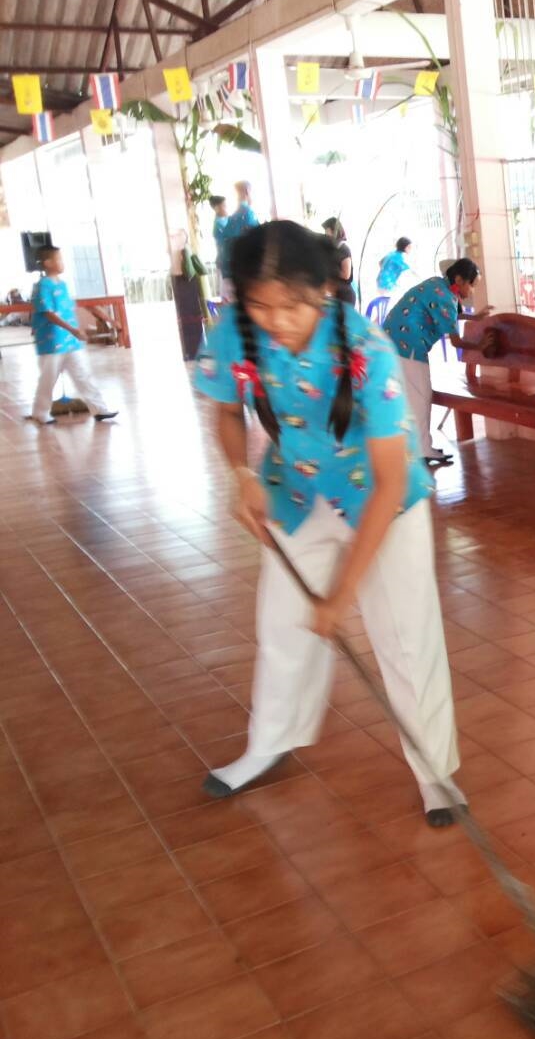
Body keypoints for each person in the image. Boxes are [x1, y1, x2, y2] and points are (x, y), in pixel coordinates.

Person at [192, 220, 463, 826]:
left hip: (384, 499)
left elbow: (389, 480)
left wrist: (342, 595)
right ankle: (269, 744)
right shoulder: (235, 332)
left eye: (290, 306)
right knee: (283, 621)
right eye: (260, 305)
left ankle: (435, 773)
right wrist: (242, 475)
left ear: (322, 290)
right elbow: (227, 411)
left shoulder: (367, 350)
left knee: (405, 635)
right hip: (296, 491)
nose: (276, 321)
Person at [382, 259, 490, 467]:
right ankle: (422, 450)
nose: (472, 291)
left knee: (412, 396)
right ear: (459, 279)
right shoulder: (445, 298)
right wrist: (480, 346)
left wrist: (475, 318)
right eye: (472, 285)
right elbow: (456, 341)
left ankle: (416, 447)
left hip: (393, 340)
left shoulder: (437, 285)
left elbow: (446, 313)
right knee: (421, 396)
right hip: (408, 345)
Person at [26, 246, 117, 424]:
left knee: (83, 375)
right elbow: (48, 313)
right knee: (48, 379)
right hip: (51, 342)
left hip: (71, 342)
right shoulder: (42, 286)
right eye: (58, 259)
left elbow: (68, 310)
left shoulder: (63, 285)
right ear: (48, 263)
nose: (62, 263)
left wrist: (77, 330)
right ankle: (40, 413)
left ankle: (99, 409)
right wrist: (73, 330)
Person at [219, 182, 260, 301]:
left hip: (229, 270)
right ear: (247, 191)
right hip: (243, 271)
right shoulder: (247, 214)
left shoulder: (233, 218)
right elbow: (255, 242)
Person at [322, 218, 355, 306]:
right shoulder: (332, 249)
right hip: (334, 293)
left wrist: (328, 270)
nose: (325, 234)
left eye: (327, 231)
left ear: (334, 232)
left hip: (344, 296)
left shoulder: (344, 250)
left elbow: (346, 275)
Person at [209, 195, 230, 293]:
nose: (227, 208)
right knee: (227, 293)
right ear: (217, 208)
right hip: (224, 262)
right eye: (224, 206)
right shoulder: (219, 224)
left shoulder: (226, 220)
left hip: (227, 261)